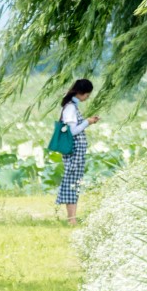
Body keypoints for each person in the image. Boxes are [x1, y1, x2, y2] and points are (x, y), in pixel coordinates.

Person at [55, 79, 99, 225]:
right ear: (81, 92)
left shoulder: (72, 106)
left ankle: (72, 218)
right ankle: (71, 219)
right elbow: (72, 131)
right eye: (87, 94)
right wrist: (88, 122)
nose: (88, 97)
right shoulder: (70, 108)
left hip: (76, 152)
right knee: (71, 183)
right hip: (73, 152)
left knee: (74, 183)